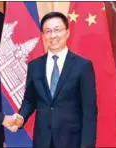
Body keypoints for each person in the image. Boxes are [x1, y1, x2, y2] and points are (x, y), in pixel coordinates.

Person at [14, 12, 98, 148]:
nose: (53, 35)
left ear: (67, 32)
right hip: (42, 140)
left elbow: (89, 111)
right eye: (48, 31)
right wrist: (21, 117)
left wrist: (87, 145)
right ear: (43, 35)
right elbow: (30, 99)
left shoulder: (83, 66)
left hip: (72, 140)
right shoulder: (34, 66)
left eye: (57, 30)